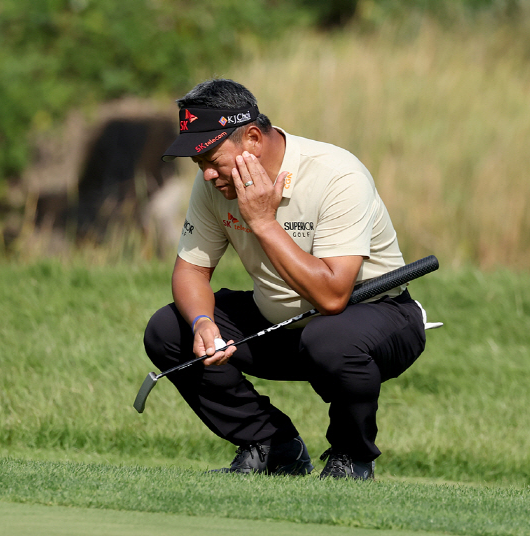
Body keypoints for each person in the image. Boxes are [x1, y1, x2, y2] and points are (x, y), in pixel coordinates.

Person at [143, 79, 426, 479]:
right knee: (168, 329)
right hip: (281, 323)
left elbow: (332, 297)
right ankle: (273, 446)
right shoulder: (215, 184)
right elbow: (191, 269)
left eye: (210, 158)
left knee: (329, 337)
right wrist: (203, 324)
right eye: (198, 164)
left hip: (376, 318)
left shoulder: (336, 174)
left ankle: (351, 457)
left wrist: (262, 220)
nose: (206, 175)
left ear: (253, 138)